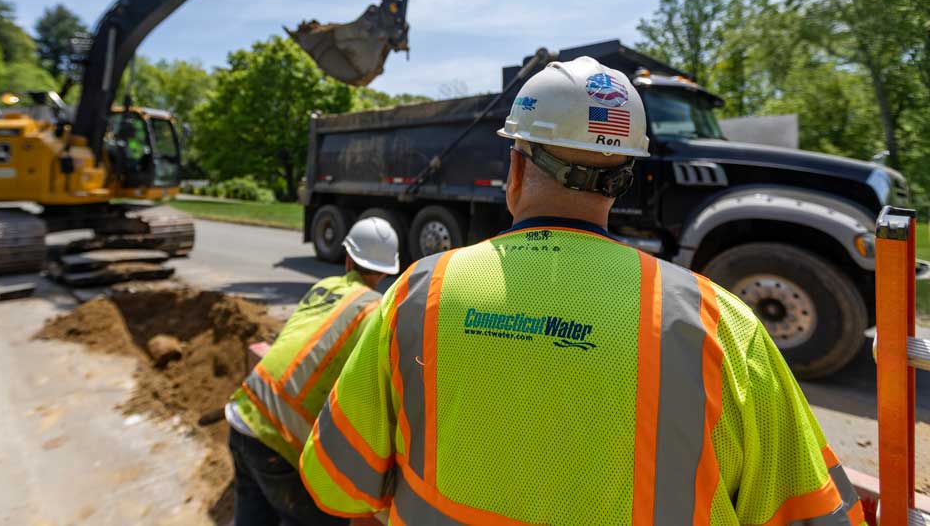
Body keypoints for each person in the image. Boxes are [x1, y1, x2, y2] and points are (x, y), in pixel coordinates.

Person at [300, 57, 865, 525]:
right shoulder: (724, 324)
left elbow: (339, 485)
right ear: (626, 176)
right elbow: (817, 511)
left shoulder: (418, 294)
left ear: (515, 168)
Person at [225, 217, 399, 526]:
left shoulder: (324, 286)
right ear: (387, 272)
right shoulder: (378, 312)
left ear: (347, 258)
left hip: (243, 412)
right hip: (282, 443)